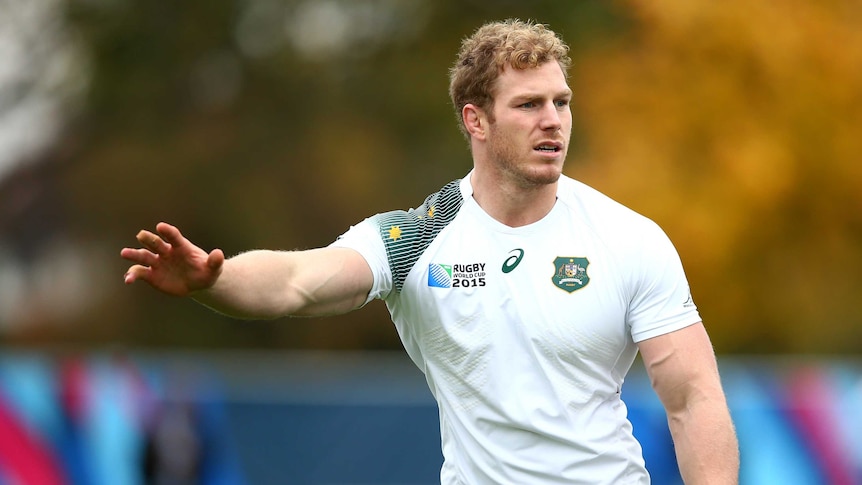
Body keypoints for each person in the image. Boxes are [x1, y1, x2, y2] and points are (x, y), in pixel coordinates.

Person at [121, 19, 739, 484]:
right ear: (476, 121)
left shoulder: (627, 236)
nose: (553, 120)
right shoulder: (419, 233)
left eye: (561, 102)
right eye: (528, 105)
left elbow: (693, 397)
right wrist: (211, 281)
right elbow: (297, 281)